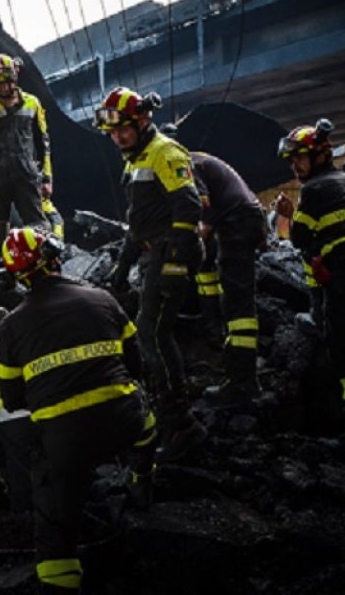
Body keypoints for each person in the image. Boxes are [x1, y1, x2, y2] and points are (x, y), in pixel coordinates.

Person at [0, 227, 157, 594]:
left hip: (63, 445)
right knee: (145, 424)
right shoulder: (102, 299)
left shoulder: (11, 326)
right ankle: (141, 482)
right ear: (56, 257)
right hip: (124, 423)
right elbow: (137, 365)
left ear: (16, 277)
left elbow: (11, 400)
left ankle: (61, 580)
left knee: (54, 525)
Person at [95, 87, 207, 461]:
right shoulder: (136, 159)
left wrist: (175, 264)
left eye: (123, 129)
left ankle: (182, 424)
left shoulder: (165, 152)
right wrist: (122, 266)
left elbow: (188, 210)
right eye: (112, 132)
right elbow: (138, 224)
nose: (117, 137)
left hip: (168, 253)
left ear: (143, 120)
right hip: (152, 253)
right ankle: (169, 416)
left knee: (152, 333)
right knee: (153, 332)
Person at [273, 118, 345, 424]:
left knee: (343, 339)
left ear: (320, 155)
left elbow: (300, 239)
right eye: (292, 161)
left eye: (299, 159)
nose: (295, 167)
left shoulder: (314, 189)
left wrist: (289, 214)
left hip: (343, 269)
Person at [188, 149, 269, 402]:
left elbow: (204, 214)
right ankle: (240, 372)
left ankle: (242, 381)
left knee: (237, 306)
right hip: (248, 218)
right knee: (237, 298)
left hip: (236, 222)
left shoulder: (185, 165)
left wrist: (183, 254)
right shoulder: (201, 160)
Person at [0, 52, 53, 267]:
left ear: (16, 76)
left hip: (26, 174)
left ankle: (42, 264)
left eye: (7, 81)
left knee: (37, 223)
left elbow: (43, 144)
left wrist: (47, 178)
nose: (4, 87)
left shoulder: (32, 103)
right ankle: (1, 268)